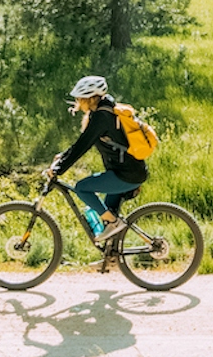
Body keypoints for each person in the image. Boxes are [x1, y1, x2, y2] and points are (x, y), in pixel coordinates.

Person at [45, 75, 147, 243]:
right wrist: (63, 157)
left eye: (80, 98)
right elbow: (83, 142)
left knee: (82, 188)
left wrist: (59, 169)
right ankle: (111, 257)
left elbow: (82, 146)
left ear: (92, 98)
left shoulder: (102, 117)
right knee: (106, 217)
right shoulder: (102, 112)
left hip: (127, 174)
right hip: (125, 172)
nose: (78, 102)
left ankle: (114, 223)